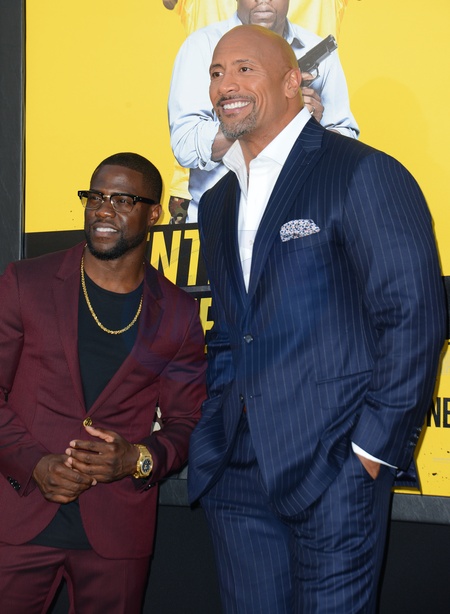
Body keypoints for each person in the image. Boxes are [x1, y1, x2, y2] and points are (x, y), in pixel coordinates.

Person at [187, 25, 446, 613]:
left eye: (245, 69)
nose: (226, 84)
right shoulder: (218, 201)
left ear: (291, 82)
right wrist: (214, 426)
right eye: (217, 72)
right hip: (236, 474)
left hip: (335, 472)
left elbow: (413, 319)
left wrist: (370, 454)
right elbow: (230, 331)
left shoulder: (361, 172)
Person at [0, 152, 206, 613]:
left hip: (116, 532)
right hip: (19, 520)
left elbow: (188, 421)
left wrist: (138, 458)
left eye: (122, 200)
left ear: (154, 214)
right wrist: (34, 464)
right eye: (95, 197)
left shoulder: (177, 312)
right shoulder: (25, 283)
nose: (103, 210)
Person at [168, 0, 358, 223]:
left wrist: (309, 129)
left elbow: (346, 143)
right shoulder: (201, 46)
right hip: (218, 221)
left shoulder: (316, 48)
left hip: (299, 216)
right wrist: (273, 117)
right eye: (218, 74)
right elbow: (186, 146)